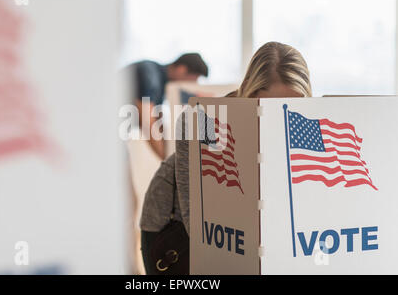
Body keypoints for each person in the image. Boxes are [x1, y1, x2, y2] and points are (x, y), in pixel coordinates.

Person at [139, 41, 313, 275]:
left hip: (234, 234)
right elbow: (196, 219)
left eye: (289, 106)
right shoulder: (204, 121)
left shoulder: (305, 124)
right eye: (266, 105)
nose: (278, 115)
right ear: (250, 93)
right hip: (173, 228)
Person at [126, 53, 209, 159]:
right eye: (192, 80)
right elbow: (147, 122)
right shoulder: (150, 75)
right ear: (181, 70)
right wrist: (168, 161)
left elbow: (157, 120)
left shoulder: (161, 82)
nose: (190, 85)